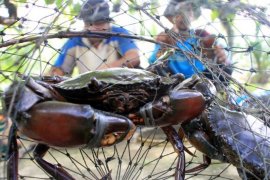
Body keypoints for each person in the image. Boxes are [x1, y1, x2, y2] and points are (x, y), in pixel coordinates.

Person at [148, 0, 232, 85]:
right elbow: (153, 62)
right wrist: (163, 48)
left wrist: (221, 55)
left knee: (226, 68)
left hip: (199, 81)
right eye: (179, 12)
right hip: (173, 81)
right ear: (173, 17)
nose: (184, 16)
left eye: (188, 10)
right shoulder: (165, 37)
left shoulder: (201, 35)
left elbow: (220, 47)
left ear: (193, 15)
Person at [49, 0, 140, 76]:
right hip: (87, 91)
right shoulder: (75, 40)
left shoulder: (119, 34)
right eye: (88, 23)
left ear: (108, 22)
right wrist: (55, 74)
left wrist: (104, 70)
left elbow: (134, 57)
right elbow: (59, 69)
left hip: (117, 88)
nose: (91, 29)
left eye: (98, 23)